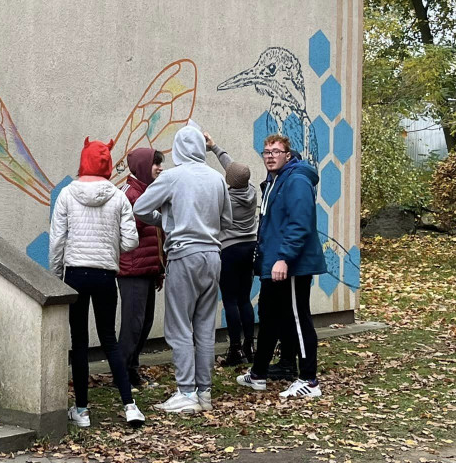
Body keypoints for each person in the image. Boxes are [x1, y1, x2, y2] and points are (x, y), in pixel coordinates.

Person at [133, 122, 231, 414]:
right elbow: (227, 221)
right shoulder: (216, 179)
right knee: (204, 327)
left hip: (183, 255)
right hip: (212, 256)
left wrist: (165, 219)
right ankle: (204, 393)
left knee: (178, 327)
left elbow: (140, 208)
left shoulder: (173, 177)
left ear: (177, 148)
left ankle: (186, 392)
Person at [49, 137, 145, 428]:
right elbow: (131, 241)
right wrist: (108, 246)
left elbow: (57, 241)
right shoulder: (117, 197)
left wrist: (56, 278)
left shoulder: (66, 194)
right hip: (106, 274)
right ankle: (130, 406)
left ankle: (82, 411)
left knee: (79, 343)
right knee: (109, 340)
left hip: (75, 274)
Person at [236, 133, 327, 399]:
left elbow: (299, 224)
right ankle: (258, 374)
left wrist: (284, 258)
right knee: (269, 315)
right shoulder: (276, 180)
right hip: (275, 263)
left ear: (288, 155)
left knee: (299, 318)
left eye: (276, 151)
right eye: (266, 152)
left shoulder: (296, 180)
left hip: (292, 265)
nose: (270, 156)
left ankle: (309, 380)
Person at [204, 132, 258, 366]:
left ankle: (235, 348)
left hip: (230, 250)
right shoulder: (252, 190)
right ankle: (250, 345)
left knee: (230, 300)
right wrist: (215, 147)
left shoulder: (226, 197)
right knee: (245, 298)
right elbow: (235, 170)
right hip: (250, 247)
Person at [117, 148, 166, 389]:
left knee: (144, 323)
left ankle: (132, 370)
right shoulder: (128, 193)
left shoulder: (148, 192)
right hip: (132, 269)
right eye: (155, 164)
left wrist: (159, 267)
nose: (159, 168)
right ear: (143, 166)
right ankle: (122, 375)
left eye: (160, 164)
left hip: (148, 269)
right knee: (132, 324)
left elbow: (157, 234)